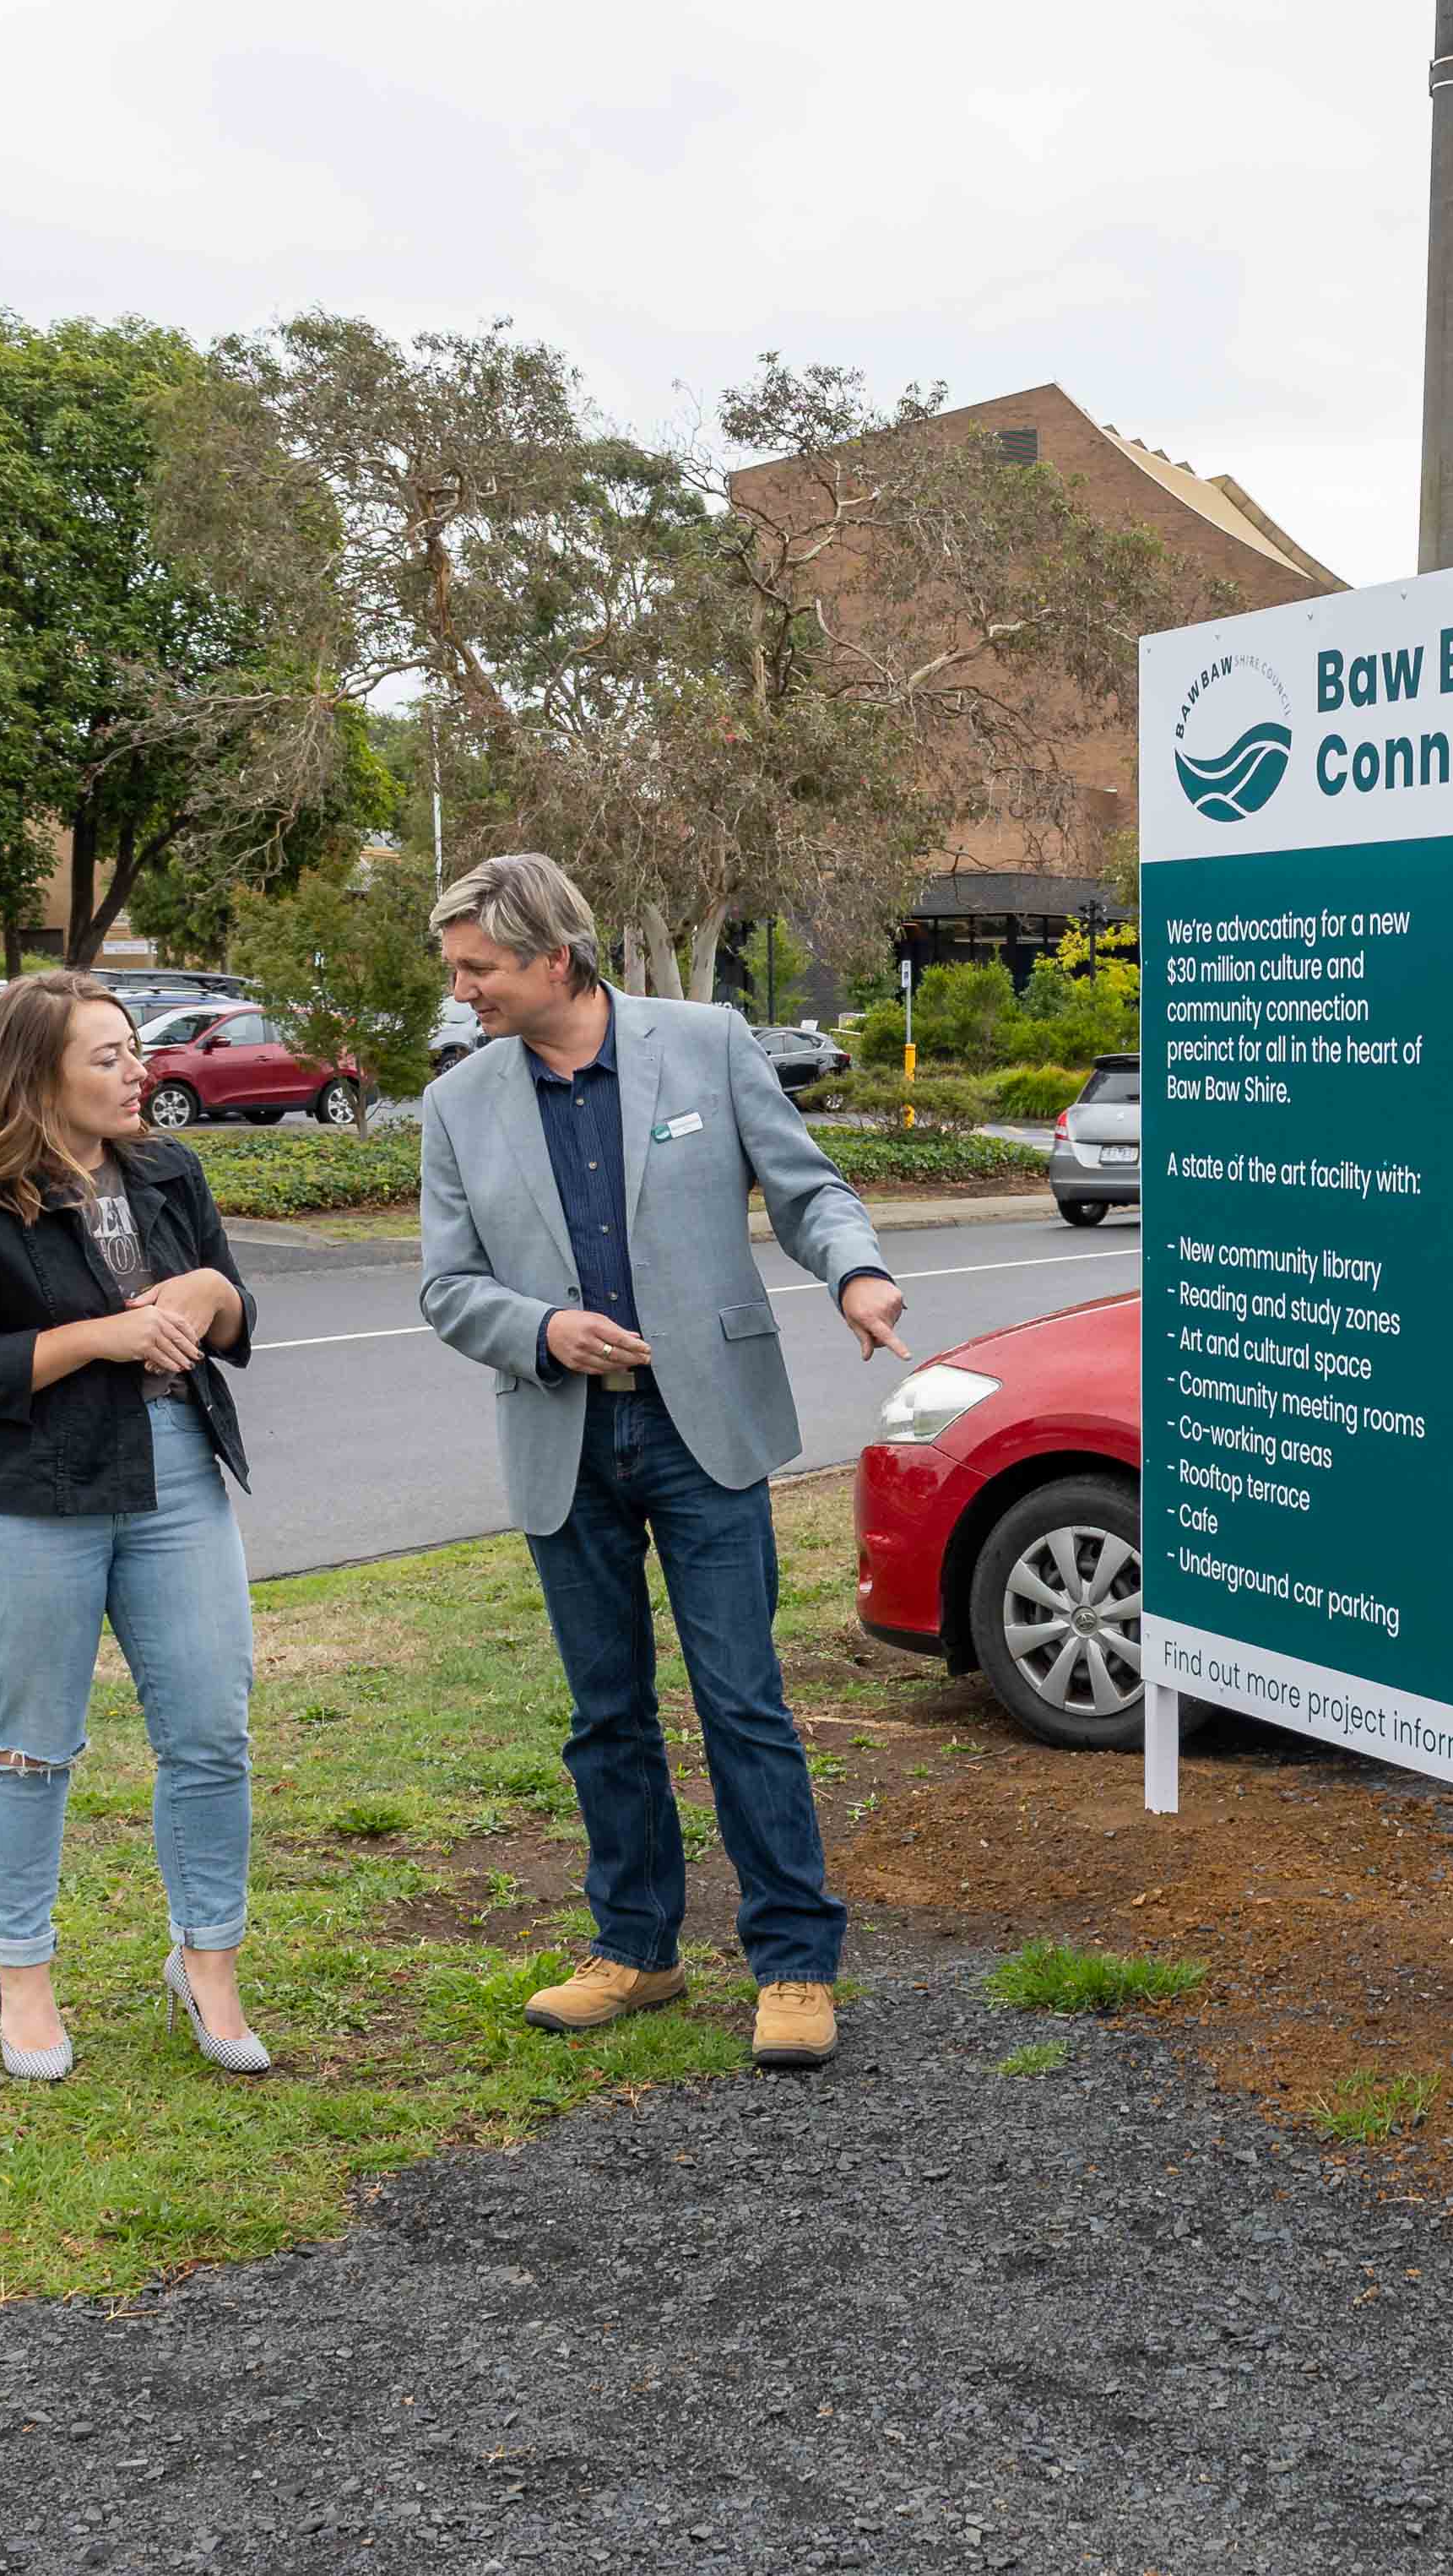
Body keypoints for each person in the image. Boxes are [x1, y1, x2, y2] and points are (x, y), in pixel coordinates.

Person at [414, 853, 910, 2069]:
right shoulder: (457, 1102)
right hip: (562, 1430)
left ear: (553, 956)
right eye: (457, 970)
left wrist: (856, 1269)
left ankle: (793, 1959)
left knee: (742, 1697)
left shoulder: (704, 1040)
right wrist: (541, 1330)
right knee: (605, 1712)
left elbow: (806, 1188)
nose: (463, 989)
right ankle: (635, 1949)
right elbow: (446, 1285)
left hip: (705, 1426)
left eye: (478, 967)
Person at [0, 969, 268, 2083]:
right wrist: (98, 1338)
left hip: (175, 1472)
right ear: (35, 1075)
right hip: (32, 1493)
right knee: (29, 1746)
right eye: (105, 1056)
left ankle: (206, 1960)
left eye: (134, 1049)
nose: (136, 1071)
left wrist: (209, 1292)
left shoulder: (167, 1170)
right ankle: (22, 1975)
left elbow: (237, 1312)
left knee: (210, 1728)